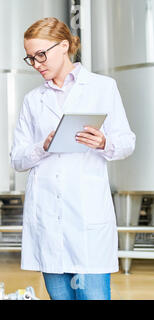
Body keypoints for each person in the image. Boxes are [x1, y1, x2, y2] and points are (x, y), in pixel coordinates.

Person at [10, 17, 136, 300]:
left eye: (41, 55)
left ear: (64, 46)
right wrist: (42, 146)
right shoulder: (33, 99)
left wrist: (104, 142)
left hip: (87, 219)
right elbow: (17, 159)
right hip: (46, 220)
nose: (36, 63)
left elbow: (127, 142)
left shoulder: (103, 87)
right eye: (30, 58)